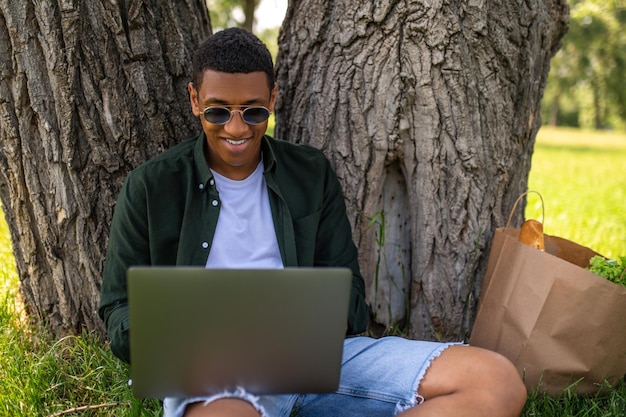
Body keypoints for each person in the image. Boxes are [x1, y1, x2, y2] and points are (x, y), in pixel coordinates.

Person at [98, 27, 527, 417]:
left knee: (496, 383)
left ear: (272, 100)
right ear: (195, 101)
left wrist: (313, 324)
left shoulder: (309, 173)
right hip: (216, 374)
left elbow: (349, 290)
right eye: (217, 112)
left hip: (318, 357)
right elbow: (118, 307)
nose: (235, 128)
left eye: (252, 112)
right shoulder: (151, 187)